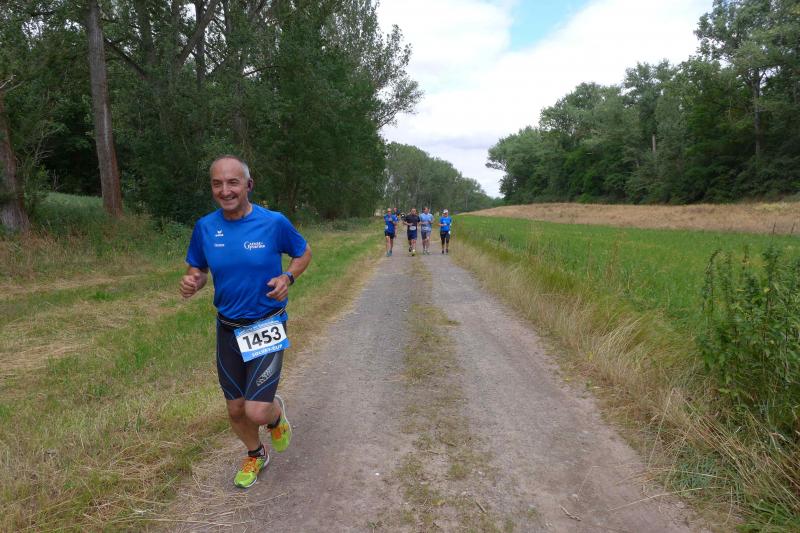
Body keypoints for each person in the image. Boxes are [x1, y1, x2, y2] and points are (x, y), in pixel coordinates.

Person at [180, 155, 312, 489]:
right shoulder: (205, 227)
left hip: (266, 325)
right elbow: (198, 267)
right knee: (236, 409)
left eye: (233, 182)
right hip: (227, 329)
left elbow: (303, 252)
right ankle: (256, 453)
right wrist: (194, 280)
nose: (225, 190)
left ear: (248, 185)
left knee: (256, 411)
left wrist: (287, 277)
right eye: (217, 184)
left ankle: (275, 415)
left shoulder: (274, 222)